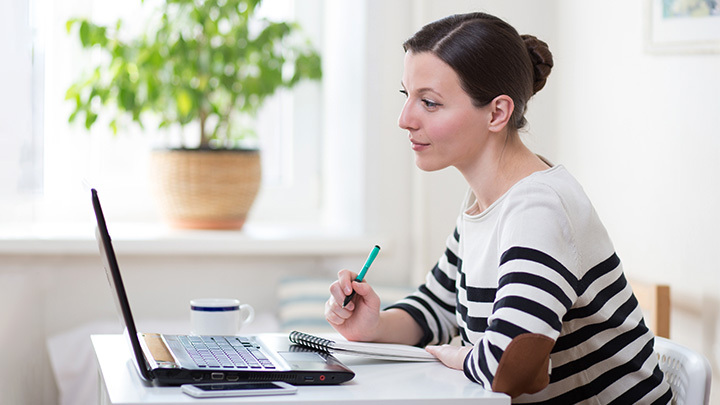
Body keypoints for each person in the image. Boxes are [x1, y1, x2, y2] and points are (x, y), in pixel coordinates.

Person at [325, 12, 672, 404]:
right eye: (406, 96)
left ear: (497, 113)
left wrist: (455, 355)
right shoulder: (484, 201)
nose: (405, 119)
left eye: (430, 103)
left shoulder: (539, 209)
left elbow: (507, 367)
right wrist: (373, 325)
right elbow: (438, 309)